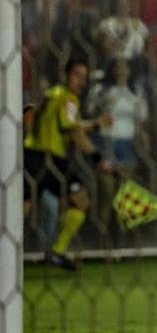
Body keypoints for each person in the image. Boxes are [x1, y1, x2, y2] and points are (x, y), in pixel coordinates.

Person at [24, 58, 113, 270]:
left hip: (29, 157)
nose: (81, 81)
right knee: (82, 200)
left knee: (23, 208)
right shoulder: (69, 99)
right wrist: (96, 128)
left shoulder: (51, 94)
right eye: (76, 75)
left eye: (84, 77)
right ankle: (56, 251)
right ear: (65, 74)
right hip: (49, 159)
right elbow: (72, 130)